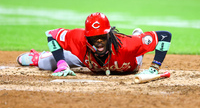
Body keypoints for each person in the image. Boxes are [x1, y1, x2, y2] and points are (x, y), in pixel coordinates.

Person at [17, 12, 172, 76]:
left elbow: (165, 36)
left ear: (109, 34)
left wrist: (154, 68)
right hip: (87, 57)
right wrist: (61, 62)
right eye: (94, 37)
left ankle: (138, 35)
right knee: (45, 64)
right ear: (87, 37)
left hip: (129, 60)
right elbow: (52, 34)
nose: (98, 40)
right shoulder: (79, 39)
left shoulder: (128, 45)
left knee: (137, 53)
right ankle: (39, 57)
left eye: (102, 36)